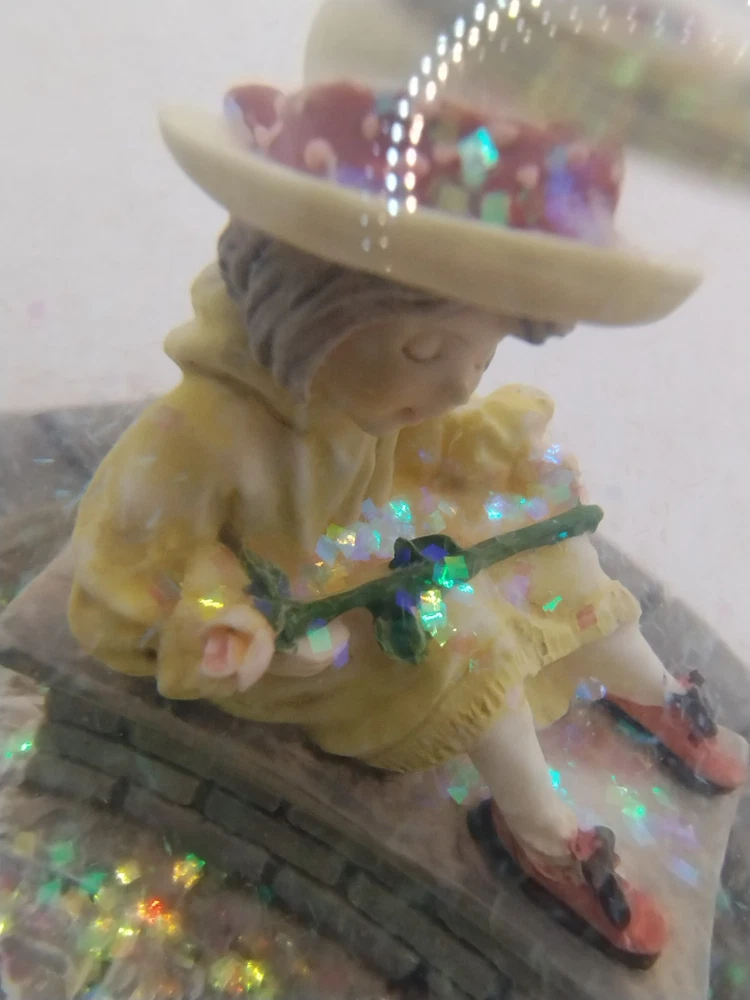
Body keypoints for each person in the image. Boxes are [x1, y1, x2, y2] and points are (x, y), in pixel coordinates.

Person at [68, 77, 746, 967]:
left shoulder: (361, 397)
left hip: (369, 550)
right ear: (312, 312)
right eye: (427, 350)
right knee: (458, 632)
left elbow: (427, 443)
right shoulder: (198, 435)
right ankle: (544, 834)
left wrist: (496, 454)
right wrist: (222, 619)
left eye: (480, 356)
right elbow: (122, 580)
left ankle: (648, 688)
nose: (457, 384)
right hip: (294, 630)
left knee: (544, 544)